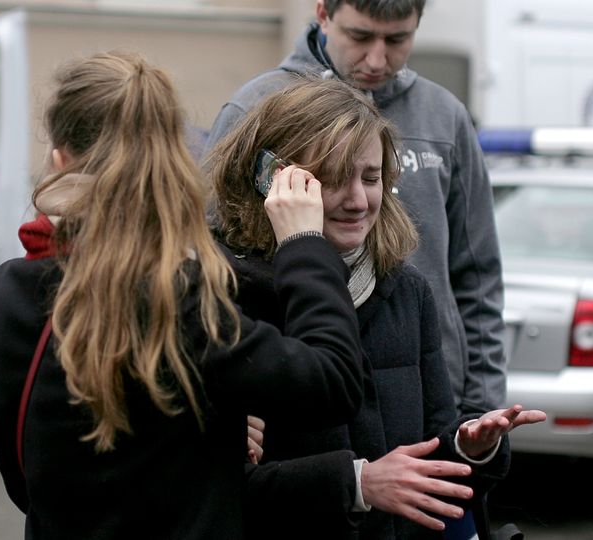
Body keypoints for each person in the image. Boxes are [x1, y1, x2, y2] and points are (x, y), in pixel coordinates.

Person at [0, 51, 366, 540]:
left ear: (59, 158)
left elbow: (29, 483)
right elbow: (334, 381)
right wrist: (304, 245)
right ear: (172, 161)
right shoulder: (182, 298)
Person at [205, 76, 545, 540]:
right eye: (331, 179)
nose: (358, 200)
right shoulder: (224, 296)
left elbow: (429, 459)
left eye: (371, 177)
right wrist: (358, 483)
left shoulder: (406, 290)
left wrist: (469, 446)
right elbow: (215, 495)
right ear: (274, 180)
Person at [205, 0, 507, 420]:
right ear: (324, 14)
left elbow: (477, 276)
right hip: (299, 392)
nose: (378, 59)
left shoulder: (444, 117)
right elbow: (213, 254)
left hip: (426, 393)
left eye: (398, 39)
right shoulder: (256, 106)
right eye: (361, 37)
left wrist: (481, 403)